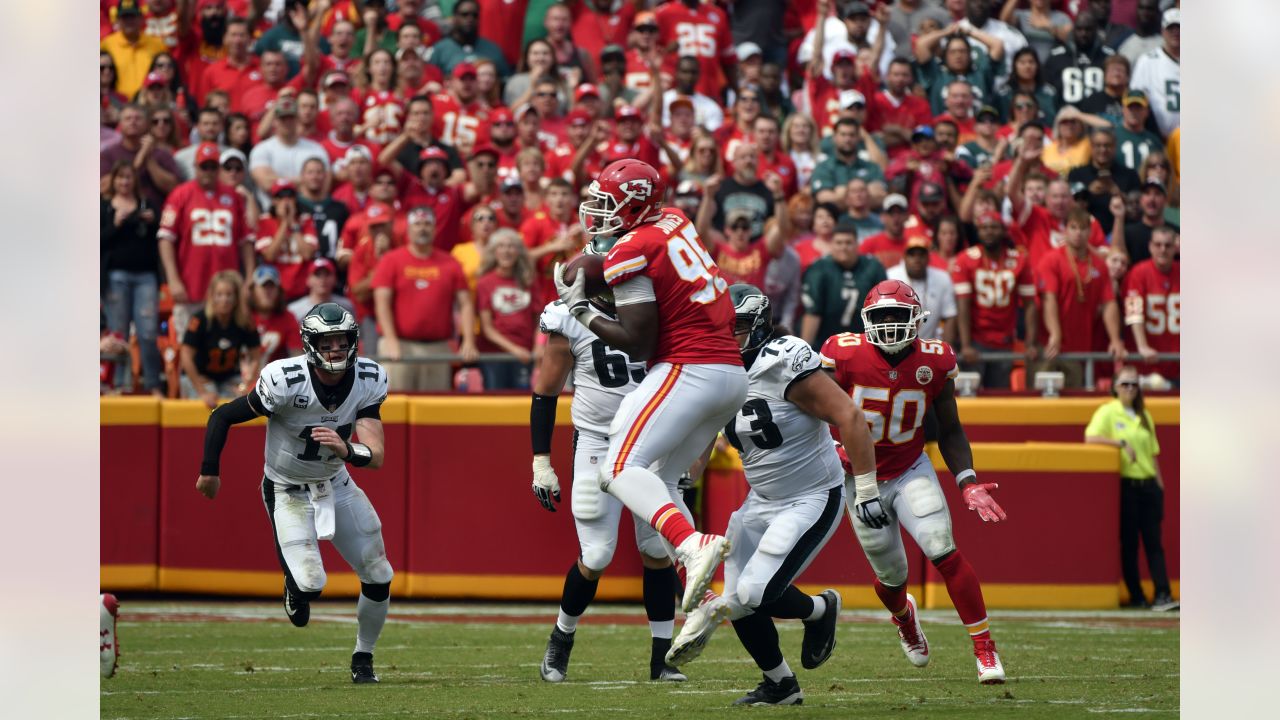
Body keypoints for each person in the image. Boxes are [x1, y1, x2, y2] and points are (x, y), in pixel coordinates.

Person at [665, 284, 882, 706]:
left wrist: (868, 487)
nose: (728, 336)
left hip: (811, 496)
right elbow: (707, 433)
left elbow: (849, 415)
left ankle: (820, 610)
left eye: (738, 327)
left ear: (760, 325)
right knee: (735, 603)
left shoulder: (783, 359)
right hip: (760, 501)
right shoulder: (718, 370)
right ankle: (781, 684)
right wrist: (677, 480)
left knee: (754, 593)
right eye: (722, 327)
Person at [554, 158, 746, 615]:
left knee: (617, 469)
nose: (597, 212)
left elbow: (639, 343)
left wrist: (582, 309)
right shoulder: (675, 218)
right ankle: (705, 605)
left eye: (607, 203)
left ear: (634, 204)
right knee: (661, 480)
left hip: (690, 366)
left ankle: (692, 544)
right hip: (730, 374)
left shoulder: (630, 250)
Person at [820, 279, 1008, 685]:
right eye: (881, 316)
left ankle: (985, 648)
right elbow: (814, 412)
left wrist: (967, 481)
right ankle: (904, 617)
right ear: (866, 320)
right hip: (859, 478)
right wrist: (830, 447)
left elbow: (951, 427)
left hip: (909, 468)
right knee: (891, 579)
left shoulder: (936, 360)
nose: (889, 324)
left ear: (917, 318)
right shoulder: (843, 354)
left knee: (943, 549)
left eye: (897, 315)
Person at [195, 302, 395, 683]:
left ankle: (363, 657)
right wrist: (209, 471)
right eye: (327, 342)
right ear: (310, 344)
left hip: (336, 483)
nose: (336, 349)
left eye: (342, 341)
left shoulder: (369, 378)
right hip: (286, 488)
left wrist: (346, 449)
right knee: (310, 584)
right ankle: (293, 584)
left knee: (379, 571)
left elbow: (377, 457)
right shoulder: (285, 379)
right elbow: (222, 415)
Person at [532, 235, 691, 684]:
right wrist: (540, 461)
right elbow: (545, 393)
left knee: (657, 550)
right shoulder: (570, 319)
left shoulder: (663, 309)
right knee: (597, 554)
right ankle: (562, 638)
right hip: (599, 441)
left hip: (653, 441)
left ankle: (662, 659)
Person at [1085, 365, 1175, 611]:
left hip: (1148, 485)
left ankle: (1163, 593)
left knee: (1154, 542)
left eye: (1134, 384)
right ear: (1115, 387)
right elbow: (1090, 437)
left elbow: (1153, 455)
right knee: (1130, 542)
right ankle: (1136, 595)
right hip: (1127, 486)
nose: (1130, 389)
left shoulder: (1144, 415)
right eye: (1125, 384)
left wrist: (1160, 487)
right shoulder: (1108, 412)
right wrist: (1120, 442)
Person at [372, 206, 478, 391]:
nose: (422, 228)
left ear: (435, 229)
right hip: (400, 346)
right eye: (417, 224)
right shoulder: (392, 260)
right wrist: (391, 340)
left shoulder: (450, 263)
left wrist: (468, 341)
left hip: (437, 347)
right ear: (408, 229)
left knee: (434, 410)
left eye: (427, 224)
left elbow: (466, 304)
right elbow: (382, 303)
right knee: (395, 404)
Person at [158, 141, 254, 333]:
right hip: (191, 284)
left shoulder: (233, 196)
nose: (208, 172)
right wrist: (173, 279)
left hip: (227, 289)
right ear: (195, 167)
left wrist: (249, 277)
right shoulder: (180, 194)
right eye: (204, 166)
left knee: (226, 343)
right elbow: (165, 238)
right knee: (189, 344)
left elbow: (246, 240)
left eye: (212, 166)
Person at [1037, 209, 1126, 388]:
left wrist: (1115, 339)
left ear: (1090, 232)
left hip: (1080, 347)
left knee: (1074, 399)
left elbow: (1109, 303)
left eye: (1083, 228)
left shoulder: (1099, 265)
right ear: (1065, 230)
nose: (1078, 233)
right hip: (1048, 345)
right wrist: (1055, 333)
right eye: (1073, 227)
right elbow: (1049, 298)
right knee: (1042, 400)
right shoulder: (1051, 259)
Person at [951, 211, 1038, 390]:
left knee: (999, 394)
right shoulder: (967, 259)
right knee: (969, 395)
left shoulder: (1018, 260)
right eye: (984, 228)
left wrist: (1030, 342)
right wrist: (966, 344)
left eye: (993, 227)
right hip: (976, 340)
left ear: (1003, 231)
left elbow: (1030, 304)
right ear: (978, 231)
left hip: (1004, 340)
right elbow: (963, 305)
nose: (989, 232)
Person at [101, 160, 163, 395]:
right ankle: (116, 384)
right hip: (116, 274)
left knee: (148, 332)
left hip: (145, 275)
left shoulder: (147, 204)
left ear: (134, 181)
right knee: (118, 333)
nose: (125, 182)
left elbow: (162, 237)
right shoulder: (104, 206)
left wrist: (151, 221)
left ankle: (153, 384)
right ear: (113, 181)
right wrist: (115, 224)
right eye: (120, 178)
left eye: (129, 178)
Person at [800, 217, 887, 348]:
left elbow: (882, 310)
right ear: (831, 245)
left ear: (857, 244)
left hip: (865, 345)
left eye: (848, 243)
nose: (843, 247)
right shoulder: (819, 269)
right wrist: (805, 350)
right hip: (826, 345)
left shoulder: (873, 267)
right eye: (839, 243)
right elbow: (813, 313)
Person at [179, 269, 261, 408]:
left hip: (229, 378)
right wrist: (202, 392)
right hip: (200, 377)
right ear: (212, 296)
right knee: (209, 403)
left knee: (243, 404)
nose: (224, 300)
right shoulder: (200, 320)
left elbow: (255, 356)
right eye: (219, 295)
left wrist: (246, 385)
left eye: (229, 295)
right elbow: (185, 356)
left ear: (236, 298)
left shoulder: (245, 322)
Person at [474, 229, 538, 390]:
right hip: (495, 356)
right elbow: (487, 329)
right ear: (494, 252)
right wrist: (514, 350)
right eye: (501, 246)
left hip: (525, 354)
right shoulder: (485, 283)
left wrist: (538, 347)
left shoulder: (528, 281)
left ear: (518, 251)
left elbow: (539, 321)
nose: (506, 251)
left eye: (511, 246)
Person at [1122, 226, 1179, 385]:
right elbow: (1134, 313)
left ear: (1175, 247)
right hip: (1147, 366)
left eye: (1168, 245)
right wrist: (1142, 346)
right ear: (1150, 247)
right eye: (1158, 245)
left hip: (1179, 364)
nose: (1163, 250)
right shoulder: (1138, 273)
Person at [888, 235, 957, 344]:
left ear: (928, 258)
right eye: (912, 255)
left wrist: (946, 348)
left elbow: (949, 315)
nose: (917, 259)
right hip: (896, 344)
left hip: (929, 345)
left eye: (921, 255)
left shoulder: (942, 278)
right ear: (904, 257)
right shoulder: (890, 277)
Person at [1129, 9, 1179, 137]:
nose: (1176, 32)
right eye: (1171, 28)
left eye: (1179, 28)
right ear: (1162, 31)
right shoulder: (1147, 61)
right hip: (1158, 136)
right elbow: (1136, 98)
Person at [249, 265, 303, 365]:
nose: (268, 292)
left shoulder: (288, 318)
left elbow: (297, 357)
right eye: (263, 286)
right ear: (253, 290)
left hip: (275, 377)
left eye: (272, 287)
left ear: (279, 291)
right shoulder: (243, 316)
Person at [288, 257, 356, 322]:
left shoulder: (346, 307)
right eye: (317, 275)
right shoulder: (294, 310)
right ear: (308, 280)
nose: (323, 280)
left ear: (335, 278)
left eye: (327, 274)